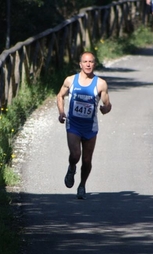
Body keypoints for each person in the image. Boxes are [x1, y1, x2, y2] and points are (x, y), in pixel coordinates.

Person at [56, 51, 112, 199]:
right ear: (80, 64)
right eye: (85, 62)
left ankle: (82, 185)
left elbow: (107, 104)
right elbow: (60, 95)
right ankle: (71, 167)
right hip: (73, 125)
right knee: (75, 154)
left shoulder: (100, 83)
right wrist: (61, 112)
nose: (88, 64)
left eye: (91, 62)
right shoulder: (70, 80)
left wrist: (105, 109)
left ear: (94, 64)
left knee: (87, 160)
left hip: (90, 128)